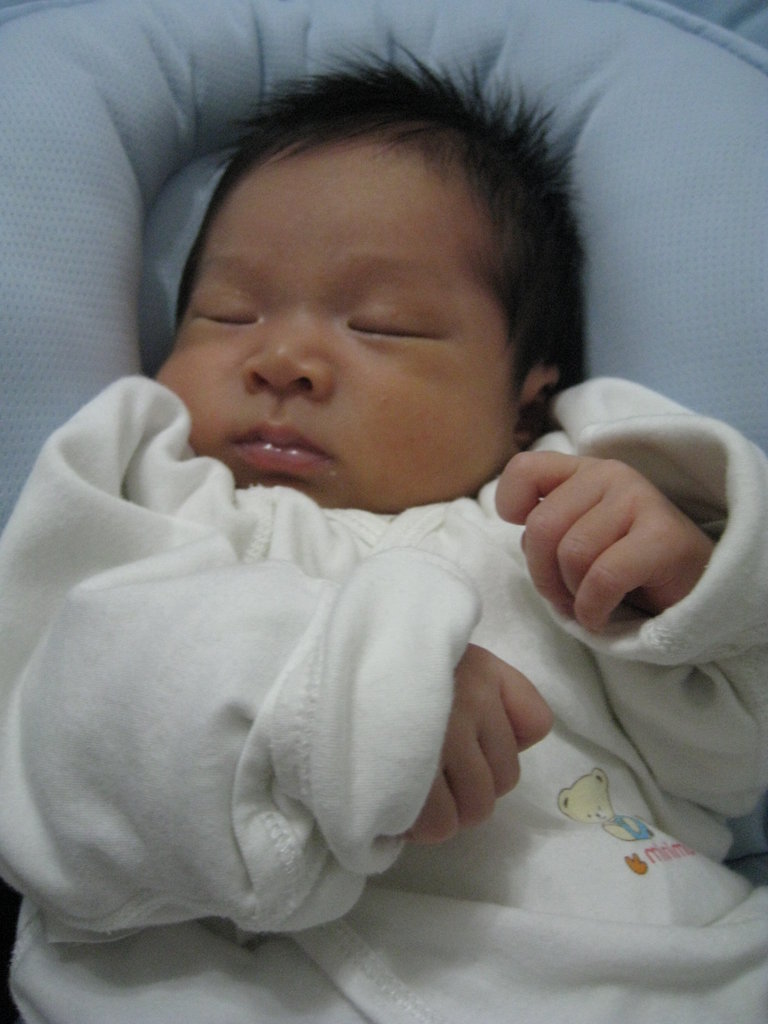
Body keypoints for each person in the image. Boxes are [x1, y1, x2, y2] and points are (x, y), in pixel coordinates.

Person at [0, 62, 766, 1024]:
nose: (283, 360)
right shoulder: (154, 491)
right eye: (228, 312)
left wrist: (686, 588)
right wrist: (346, 701)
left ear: (525, 402)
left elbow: (723, 766)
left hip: (667, 973)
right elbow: (52, 724)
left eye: (382, 326)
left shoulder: (555, 518)